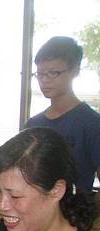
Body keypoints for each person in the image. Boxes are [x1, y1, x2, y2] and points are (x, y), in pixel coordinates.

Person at [25, 36, 100, 193]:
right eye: (39, 74)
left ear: (75, 71)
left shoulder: (91, 123)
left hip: (72, 213)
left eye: (53, 73)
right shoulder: (33, 124)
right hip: (36, 213)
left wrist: (84, 211)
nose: (44, 80)